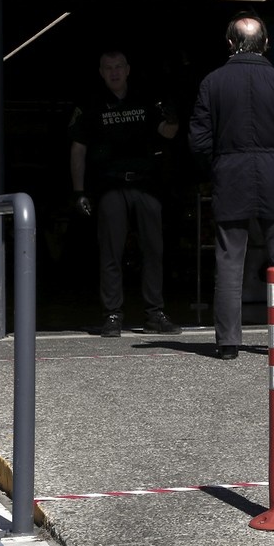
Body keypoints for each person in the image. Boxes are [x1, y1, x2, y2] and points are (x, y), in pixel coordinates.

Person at [188, 11, 274, 360]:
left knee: (229, 261)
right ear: (266, 44)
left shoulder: (212, 83)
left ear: (230, 43)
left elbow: (198, 142)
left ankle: (228, 343)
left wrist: (216, 169)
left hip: (230, 178)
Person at [69, 50, 182, 338]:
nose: (114, 72)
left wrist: (173, 118)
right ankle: (112, 315)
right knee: (111, 253)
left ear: (128, 69)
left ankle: (154, 313)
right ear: (101, 72)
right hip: (110, 185)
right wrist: (79, 191)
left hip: (145, 184)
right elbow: (78, 149)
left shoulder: (144, 98)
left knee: (153, 251)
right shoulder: (91, 104)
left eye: (119, 66)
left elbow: (168, 132)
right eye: (108, 68)